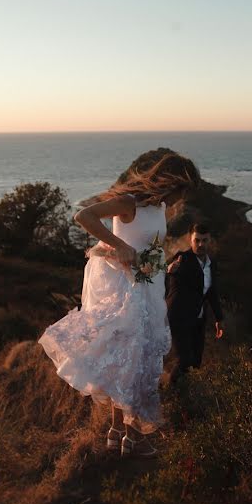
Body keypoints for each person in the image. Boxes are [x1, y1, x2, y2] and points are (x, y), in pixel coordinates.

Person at [38, 152, 201, 458]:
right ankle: (132, 436)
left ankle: (119, 432)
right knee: (130, 360)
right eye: (183, 188)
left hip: (148, 286)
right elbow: (83, 216)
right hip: (124, 293)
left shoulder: (160, 207)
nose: (183, 197)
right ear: (172, 181)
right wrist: (121, 246)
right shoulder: (128, 202)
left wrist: (156, 263)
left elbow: (150, 243)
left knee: (128, 360)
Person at [164, 222, 224, 384]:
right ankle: (171, 393)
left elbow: (212, 292)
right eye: (197, 240)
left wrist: (219, 319)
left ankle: (188, 396)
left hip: (198, 319)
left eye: (204, 240)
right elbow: (168, 278)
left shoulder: (211, 264)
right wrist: (169, 272)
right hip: (179, 318)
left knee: (196, 362)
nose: (201, 244)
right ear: (190, 240)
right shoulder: (182, 259)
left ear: (210, 240)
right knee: (184, 360)